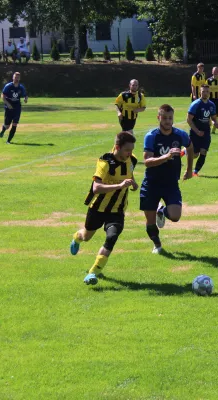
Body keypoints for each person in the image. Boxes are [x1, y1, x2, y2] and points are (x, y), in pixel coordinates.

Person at [70, 131, 139, 285]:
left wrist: (134, 185)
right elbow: (96, 188)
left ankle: (93, 272)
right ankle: (76, 237)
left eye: (132, 150)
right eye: (127, 150)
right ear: (117, 147)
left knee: (111, 237)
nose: (130, 153)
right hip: (98, 209)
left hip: (117, 211)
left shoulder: (131, 160)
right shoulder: (105, 162)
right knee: (86, 236)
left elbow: (132, 179)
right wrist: (119, 185)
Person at [141, 104, 194, 254]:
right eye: (164, 118)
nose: (167, 121)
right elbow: (147, 162)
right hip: (152, 183)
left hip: (171, 182)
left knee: (176, 216)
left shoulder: (180, 135)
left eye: (170, 118)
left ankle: (162, 210)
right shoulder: (151, 136)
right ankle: (157, 245)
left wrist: (189, 169)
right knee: (150, 221)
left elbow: (190, 147)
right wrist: (167, 156)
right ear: (158, 118)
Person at [187, 85, 218, 177]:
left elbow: (213, 117)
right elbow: (189, 119)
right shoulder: (195, 104)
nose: (205, 93)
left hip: (206, 132)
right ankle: (185, 151)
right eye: (203, 91)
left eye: (207, 92)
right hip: (195, 132)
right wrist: (197, 131)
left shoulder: (211, 105)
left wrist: (215, 123)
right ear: (200, 92)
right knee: (195, 155)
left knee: (203, 151)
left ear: (209, 93)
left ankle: (195, 171)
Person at [0, 72, 28, 144]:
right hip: (9, 107)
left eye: (18, 78)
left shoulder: (21, 87)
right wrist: (7, 103)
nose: (16, 79)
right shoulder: (8, 86)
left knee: (15, 124)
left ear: (19, 78)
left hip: (17, 107)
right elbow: (3, 95)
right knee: (7, 126)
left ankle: (8, 141)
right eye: (15, 77)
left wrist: (25, 99)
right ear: (13, 78)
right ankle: (3, 130)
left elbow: (25, 95)